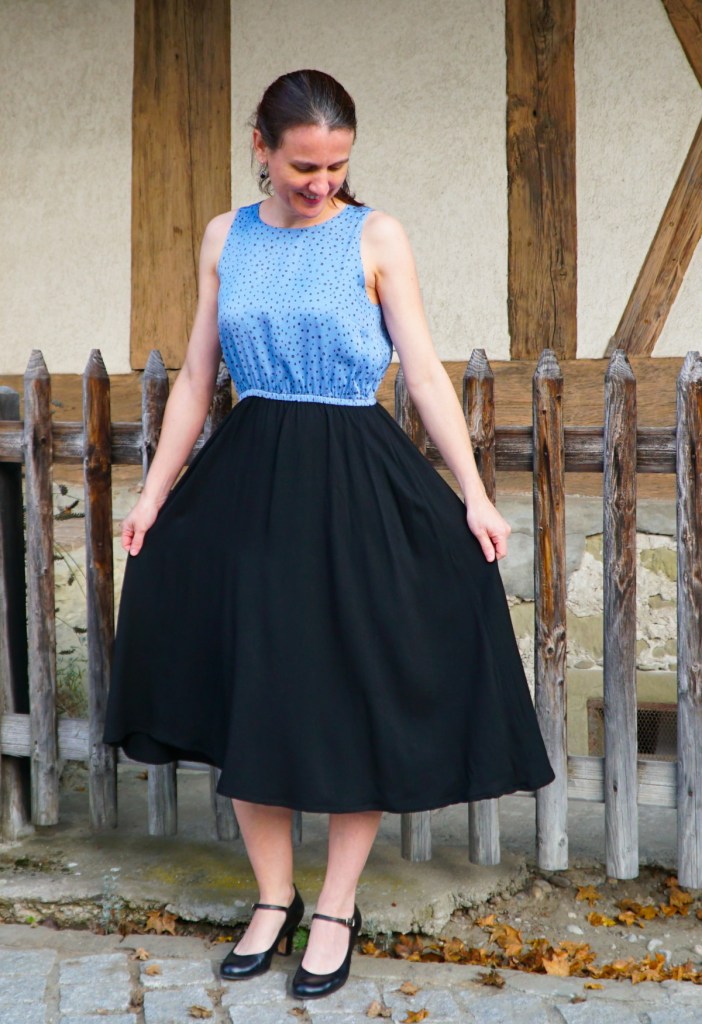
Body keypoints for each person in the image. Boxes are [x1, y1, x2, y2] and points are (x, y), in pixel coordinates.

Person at [104, 69, 554, 1001]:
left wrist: (475, 496)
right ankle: (274, 897)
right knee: (247, 683)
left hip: (354, 481)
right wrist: (152, 497)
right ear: (260, 149)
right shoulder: (226, 237)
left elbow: (422, 374)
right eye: (303, 166)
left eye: (337, 165)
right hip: (246, 485)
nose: (321, 184)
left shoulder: (376, 235)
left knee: (357, 686)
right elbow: (197, 380)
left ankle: (337, 907)